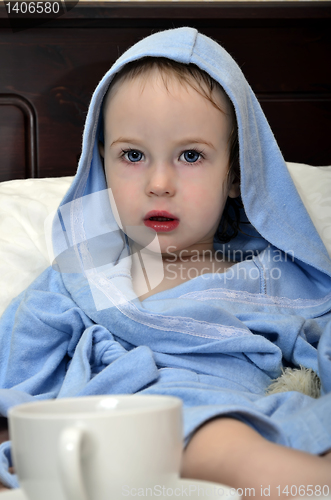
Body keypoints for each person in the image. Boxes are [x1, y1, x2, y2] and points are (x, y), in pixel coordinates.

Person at [0, 27, 330, 497]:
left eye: (190, 155)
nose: (159, 182)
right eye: (132, 155)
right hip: (115, 428)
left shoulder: (270, 277)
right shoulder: (81, 276)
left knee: (255, 438)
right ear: (102, 166)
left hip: (230, 416)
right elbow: (17, 364)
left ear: (236, 175)